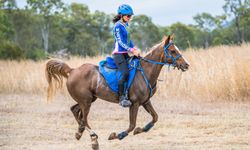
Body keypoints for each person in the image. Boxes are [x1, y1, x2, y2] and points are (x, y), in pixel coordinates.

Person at [112, 4, 140, 108]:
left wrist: (135, 48)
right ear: (121, 16)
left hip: (125, 53)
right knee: (125, 73)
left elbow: (129, 41)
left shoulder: (126, 26)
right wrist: (132, 50)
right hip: (118, 55)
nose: (130, 18)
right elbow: (120, 42)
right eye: (128, 16)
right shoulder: (118, 26)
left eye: (130, 16)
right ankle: (122, 98)